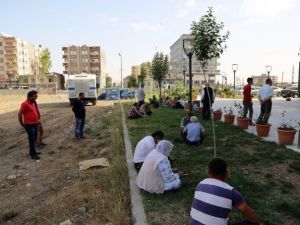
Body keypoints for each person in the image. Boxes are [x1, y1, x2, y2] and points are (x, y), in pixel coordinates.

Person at [189, 158, 262, 225]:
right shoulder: (231, 192)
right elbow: (252, 217)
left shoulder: (200, 184)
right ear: (226, 174)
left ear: (208, 172)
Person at [18, 91, 41, 160]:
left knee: (34, 138)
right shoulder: (25, 104)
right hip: (29, 125)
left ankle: (34, 151)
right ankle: (33, 155)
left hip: (35, 124)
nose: (36, 97)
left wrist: (38, 121)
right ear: (30, 97)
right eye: (35, 96)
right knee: (31, 139)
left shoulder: (32, 103)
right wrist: (22, 123)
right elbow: (19, 114)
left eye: (36, 96)